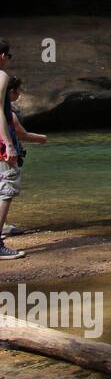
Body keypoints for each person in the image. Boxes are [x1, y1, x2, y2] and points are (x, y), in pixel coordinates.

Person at [2, 77, 47, 248]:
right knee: (6, 191)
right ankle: (3, 227)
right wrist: (42, 139)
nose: (19, 94)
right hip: (6, 156)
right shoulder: (7, 112)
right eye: (17, 91)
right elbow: (22, 134)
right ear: (10, 91)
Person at [0, 39, 26, 260]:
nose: (9, 60)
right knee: (7, 189)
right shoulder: (1, 77)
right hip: (0, 142)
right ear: (2, 56)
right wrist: (8, 143)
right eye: (9, 56)